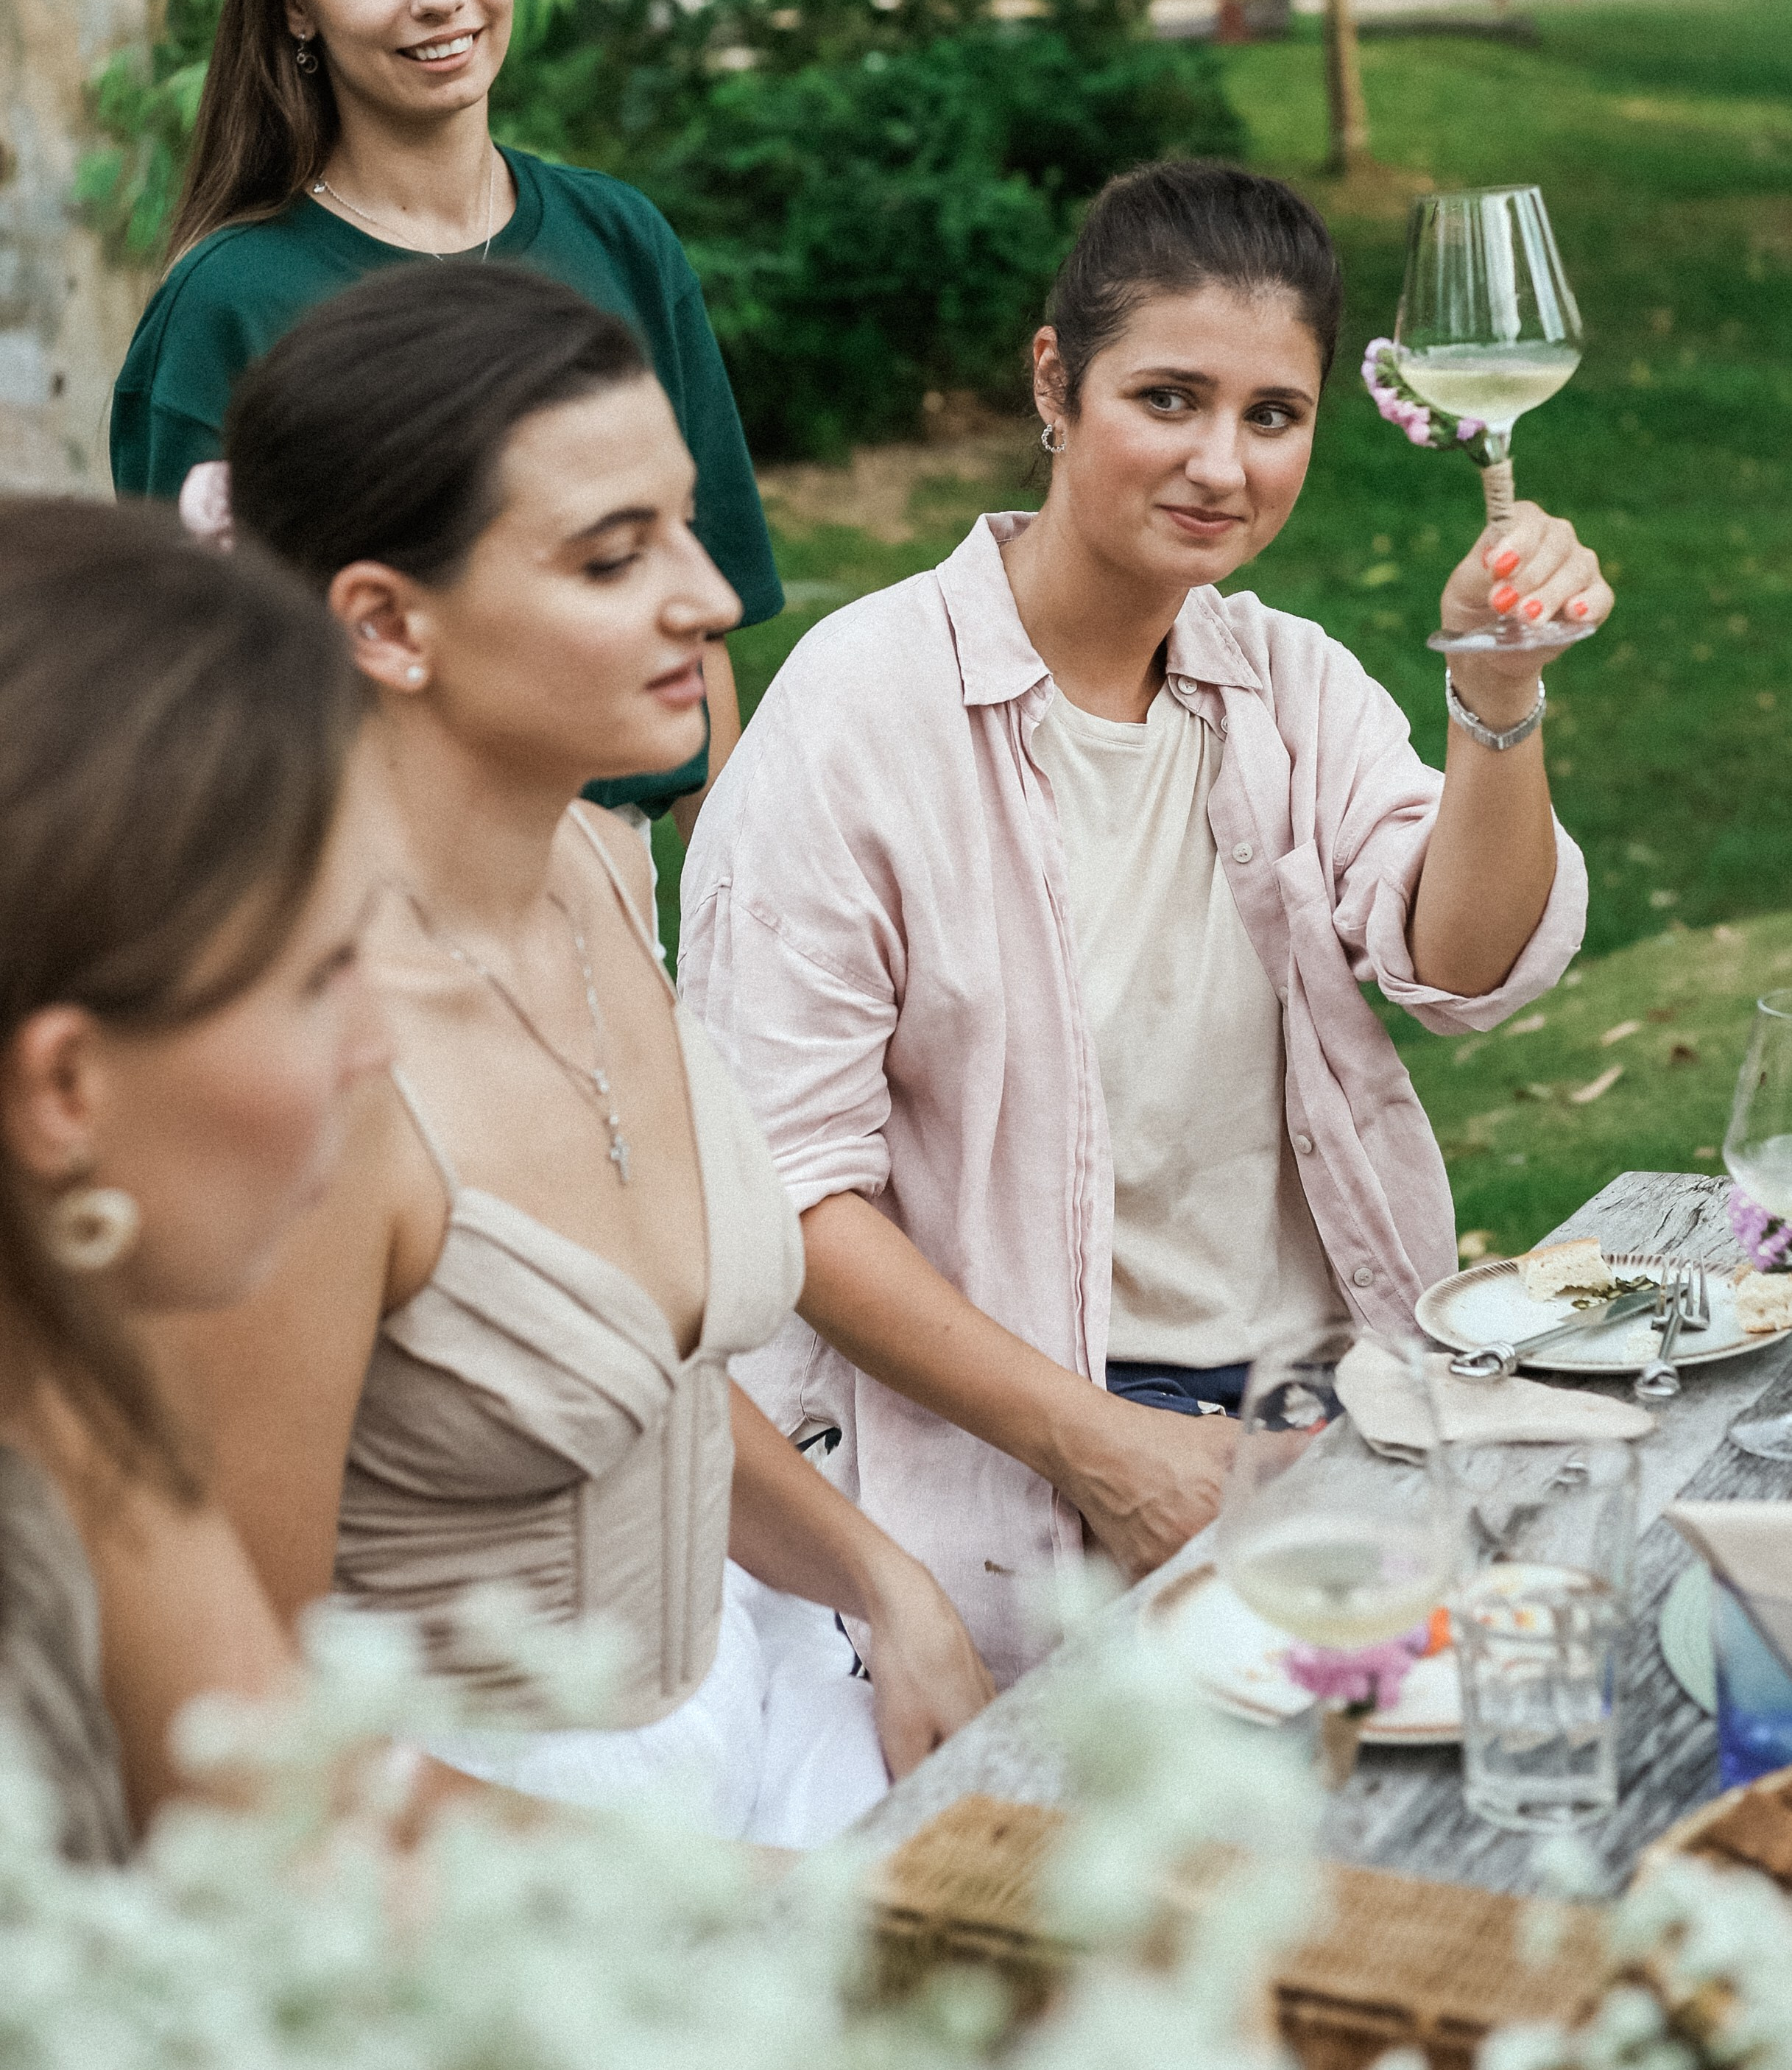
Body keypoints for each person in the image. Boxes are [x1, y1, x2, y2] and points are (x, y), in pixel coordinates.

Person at [680, 159, 1607, 1686]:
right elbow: (781, 1192)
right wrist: (1107, 1446)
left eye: (1270, 415)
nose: (1219, 466)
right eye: (1165, 398)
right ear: (1053, 380)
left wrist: (1493, 694)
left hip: (1312, 1427)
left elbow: (1460, 963)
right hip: (1007, 1471)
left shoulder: (1286, 682)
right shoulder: (858, 711)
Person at [154, 261, 991, 1847]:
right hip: (489, 1850)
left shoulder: (605, 868)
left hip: (751, 1681)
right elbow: (232, 1722)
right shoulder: (300, 1069)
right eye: (616, 557)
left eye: (682, 524)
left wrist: (886, 1578)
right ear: (389, 622)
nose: (712, 597)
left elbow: (637, 1387)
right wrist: (694, 1896)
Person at [110, 0, 779, 841]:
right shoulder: (228, 305)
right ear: (293, 1)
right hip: (371, 897)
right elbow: (205, 704)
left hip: (621, 889)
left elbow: (700, 634)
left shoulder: (620, 240)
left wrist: (724, 923)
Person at [0, 497, 382, 1854]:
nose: (371, 1048)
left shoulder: (56, 1359)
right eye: (320, 980)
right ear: (64, 1090)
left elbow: (290, 1830)